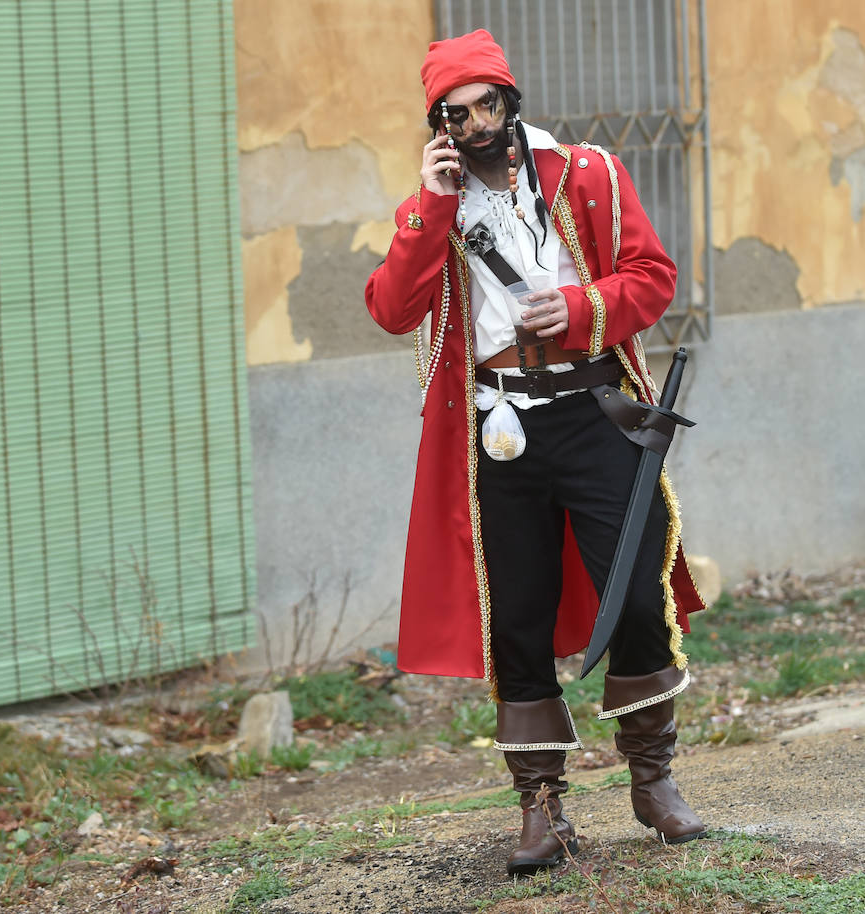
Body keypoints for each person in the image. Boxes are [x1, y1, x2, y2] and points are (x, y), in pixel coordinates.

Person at [363, 29, 708, 876]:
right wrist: (428, 205)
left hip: (594, 412)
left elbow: (652, 275)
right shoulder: (435, 207)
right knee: (516, 618)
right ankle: (542, 809)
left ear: (510, 103)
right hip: (499, 431)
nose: (478, 124)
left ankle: (652, 779)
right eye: (458, 113)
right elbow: (391, 308)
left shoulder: (585, 173)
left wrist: (584, 306)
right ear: (440, 124)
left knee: (633, 590)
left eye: (488, 105)